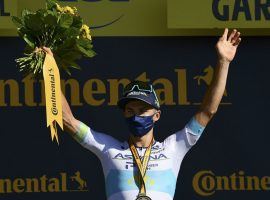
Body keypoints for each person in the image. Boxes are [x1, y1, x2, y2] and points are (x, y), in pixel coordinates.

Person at [42, 28, 241, 200]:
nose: (136, 115)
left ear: (157, 115)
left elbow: (208, 110)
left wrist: (223, 62)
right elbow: (66, 120)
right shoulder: (107, 148)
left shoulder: (174, 148)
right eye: (130, 110)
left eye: (143, 110)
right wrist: (48, 73)